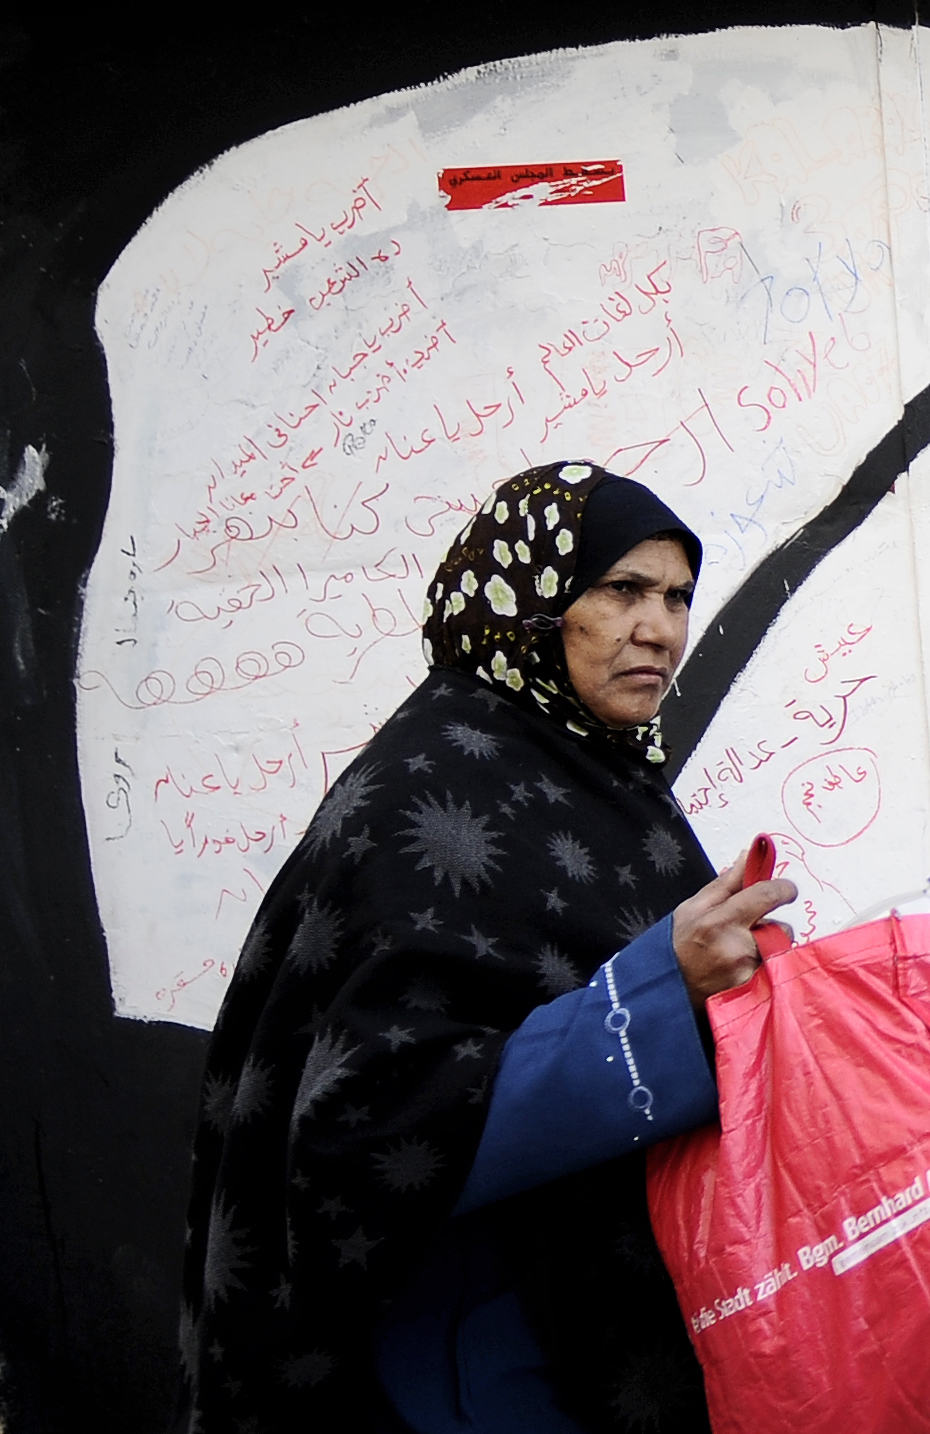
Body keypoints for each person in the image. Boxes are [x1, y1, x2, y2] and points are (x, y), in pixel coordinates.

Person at [173, 460, 796, 1434]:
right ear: (532, 603)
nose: (660, 629)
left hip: (583, 1331)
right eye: (622, 589)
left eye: (677, 597)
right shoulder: (426, 793)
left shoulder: (599, 776)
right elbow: (370, 1126)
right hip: (468, 1365)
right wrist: (661, 990)